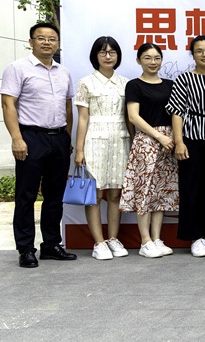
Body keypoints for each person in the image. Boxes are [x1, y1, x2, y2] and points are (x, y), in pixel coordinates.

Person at [2, 22, 78, 268]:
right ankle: (26, 249)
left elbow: (67, 106)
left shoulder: (63, 72)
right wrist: (17, 138)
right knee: (26, 195)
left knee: (55, 195)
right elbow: (8, 104)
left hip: (59, 138)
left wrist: (67, 137)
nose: (47, 42)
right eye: (41, 38)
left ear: (57, 43)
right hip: (31, 137)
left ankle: (51, 245)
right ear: (31, 42)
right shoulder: (17, 68)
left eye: (52, 39)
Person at [166, 35, 205, 257]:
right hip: (192, 138)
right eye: (199, 51)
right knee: (191, 188)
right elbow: (176, 111)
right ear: (192, 55)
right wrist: (179, 142)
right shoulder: (184, 79)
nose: (204, 54)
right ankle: (195, 237)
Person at [73, 36, 132, 260]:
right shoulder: (86, 82)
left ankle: (113, 239)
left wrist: (133, 143)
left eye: (112, 52)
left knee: (116, 193)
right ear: (95, 56)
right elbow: (83, 119)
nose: (108, 56)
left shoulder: (125, 83)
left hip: (120, 139)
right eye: (103, 52)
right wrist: (79, 150)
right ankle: (99, 243)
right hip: (95, 140)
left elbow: (129, 117)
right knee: (95, 195)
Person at [120, 43, 178, 259]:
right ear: (139, 61)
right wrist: (159, 136)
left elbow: (176, 114)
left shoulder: (170, 85)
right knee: (144, 191)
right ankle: (145, 241)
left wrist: (172, 138)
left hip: (169, 141)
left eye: (156, 58)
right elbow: (133, 117)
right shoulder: (134, 85)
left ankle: (156, 238)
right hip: (146, 141)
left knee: (161, 191)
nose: (153, 62)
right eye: (147, 58)